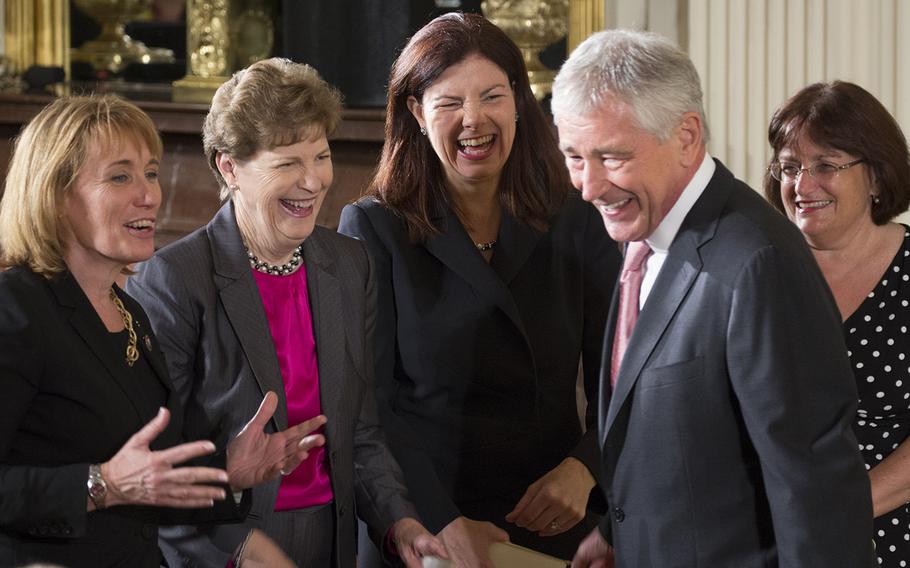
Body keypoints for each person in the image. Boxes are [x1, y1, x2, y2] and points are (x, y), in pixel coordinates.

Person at [550, 30, 875, 567]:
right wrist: (619, 535)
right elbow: (687, 444)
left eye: (610, 157)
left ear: (686, 136)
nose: (587, 186)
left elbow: (816, 492)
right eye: (574, 157)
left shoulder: (757, 264)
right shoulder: (640, 239)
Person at [127, 57, 444, 568]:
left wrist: (398, 522)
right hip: (233, 545)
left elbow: (359, 431)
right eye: (286, 163)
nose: (313, 181)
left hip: (333, 540)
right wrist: (233, 550)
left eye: (320, 156)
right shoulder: (173, 279)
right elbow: (153, 465)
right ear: (229, 167)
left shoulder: (347, 264)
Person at [337, 12, 621, 566]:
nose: (474, 121)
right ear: (417, 113)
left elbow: (623, 370)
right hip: (426, 524)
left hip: (551, 514)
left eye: (492, 96)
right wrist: (438, 519)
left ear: (519, 100)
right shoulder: (374, 227)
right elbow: (369, 402)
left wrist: (586, 467)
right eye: (448, 103)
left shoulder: (575, 214)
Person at [0, 95, 326, 567]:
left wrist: (226, 471)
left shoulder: (129, 311)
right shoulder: (16, 306)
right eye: (120, 176)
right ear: (54, 194)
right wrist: (101, 484)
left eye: (151, 173)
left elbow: (150, 475)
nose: (150, 194)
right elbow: (113, 480)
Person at [764, 80, 910, 567]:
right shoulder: (759, 272)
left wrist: (833, 513)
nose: (802, 186)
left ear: (875, 176)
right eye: (789, 167)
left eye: (825, 165)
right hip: (772, 535)